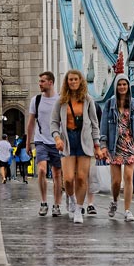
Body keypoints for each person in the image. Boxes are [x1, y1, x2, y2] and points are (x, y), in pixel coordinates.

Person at [51, 70, 102, 224]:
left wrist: (97, 145)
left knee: (81, 178)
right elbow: (54, 122)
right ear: (66, 82)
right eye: (70, 79)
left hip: (84, 140)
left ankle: (79, 209)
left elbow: (94, 124)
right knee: (68, 179)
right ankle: (71, 198)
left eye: (75, 79)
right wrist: (57, 137)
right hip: (67, 141)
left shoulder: (88, 100)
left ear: (80, 81)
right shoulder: (61, 101)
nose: (72, 82)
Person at [100, 73, 134, 222]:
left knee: (128, 177)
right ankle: (114, 201)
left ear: (128, 86)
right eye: (119, 84)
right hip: (114, 146)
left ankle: (127, 210)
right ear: (116, 87)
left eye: (124, 84)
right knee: (115, 181)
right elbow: (103, 127)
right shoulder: (109, 104)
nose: (122, 87)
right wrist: (103, 145)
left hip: (130, 145)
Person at [26, 71, 63, 217]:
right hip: (40, 140)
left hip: (56, 141)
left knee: (57, 174)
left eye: (42, 81)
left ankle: (57, 205)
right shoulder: (36, 100)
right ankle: (43, 202)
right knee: (41, 170)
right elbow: (30, 123)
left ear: (50, 82)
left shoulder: (60, 100)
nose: (39, 84)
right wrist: (28, 143)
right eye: (39, 81)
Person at [85, 102, 103, 214]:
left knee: (90, 175)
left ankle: (90, 204)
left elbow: (98, 126)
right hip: (76, 145)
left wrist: (98, 146)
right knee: (79, 176)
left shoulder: (95, 106)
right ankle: (79, 202)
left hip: (91, 144)